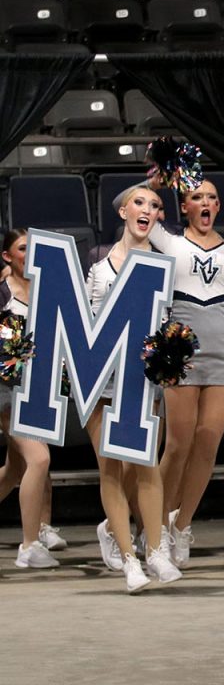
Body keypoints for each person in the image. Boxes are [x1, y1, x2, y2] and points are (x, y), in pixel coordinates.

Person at [121, 179, 224, 566]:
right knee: (178, 444)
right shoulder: (169, 241)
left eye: (212, 198)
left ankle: (180, 526)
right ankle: (155, 526)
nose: (205, 202)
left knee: (207, 444)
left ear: (219, 207)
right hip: (179, 351)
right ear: (183, 206)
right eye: (197, 197)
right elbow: (139, 211)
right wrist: (156, 182)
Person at [86, 187, 183, 591]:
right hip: (101, 382)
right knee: (110, 468)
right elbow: (89, 325)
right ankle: (129, 561)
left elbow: (169, 323)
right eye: (140, 202)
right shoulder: (99, 266)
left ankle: (156, 550)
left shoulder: (164, 264)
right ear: (124, 210)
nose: (148, 209)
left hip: (141, 383)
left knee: (145, 464)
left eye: (156, 205)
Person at [0, 229, 63, 568]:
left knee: (13, 472)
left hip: (35, 389)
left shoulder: (46, 289)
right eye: (23, 248)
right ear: (8, 256)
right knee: (38, 459)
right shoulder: (2, 290)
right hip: (5, 390)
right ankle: (28, 546)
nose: (30, 253)